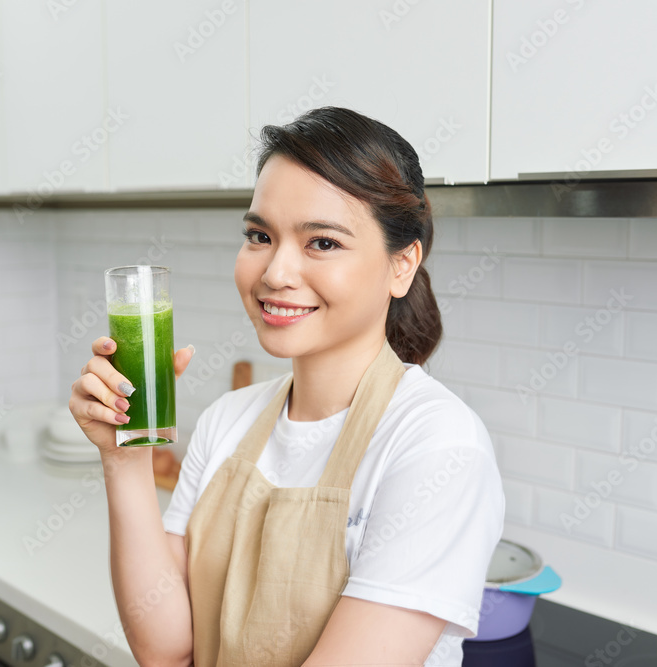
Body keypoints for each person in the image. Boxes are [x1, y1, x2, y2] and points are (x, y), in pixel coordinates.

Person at [69, 106, 505, 667]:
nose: (275, 272)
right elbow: (168, 649)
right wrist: (124, 452)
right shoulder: (228, 420)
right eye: (260, 235)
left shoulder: (436, 445)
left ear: (402, 265)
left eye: (322, 242)